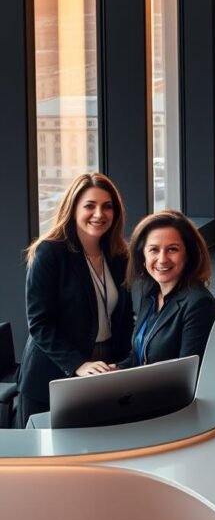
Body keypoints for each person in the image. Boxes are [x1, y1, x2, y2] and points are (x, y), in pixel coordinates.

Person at [17, 172, 133, 427]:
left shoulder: (118, 254)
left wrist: (126, 365)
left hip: (104, 364)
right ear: (73, 209)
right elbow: (39, 324)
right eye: (89, 206)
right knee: (49, 459)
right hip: (56, 368)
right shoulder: (50, 252)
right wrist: (78, 363)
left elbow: (123, 317)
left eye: (107, 206)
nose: (99, 214)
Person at [118, 210, 215, 368]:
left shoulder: (199, 304)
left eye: (172, 249)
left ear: (188, 255)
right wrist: (111, 371)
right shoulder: (149, 294)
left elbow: (188, 375)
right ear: (142, 257)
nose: (162, 259)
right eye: (154, 250)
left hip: (167, 392)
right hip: (142, 388)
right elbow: (140, 354)